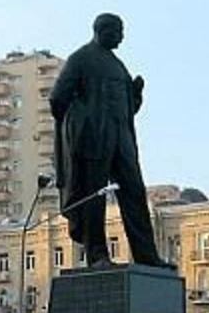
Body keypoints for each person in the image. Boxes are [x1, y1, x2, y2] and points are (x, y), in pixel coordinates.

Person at [49, 13, 173, 269]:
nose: (122, 36)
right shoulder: (81, 59)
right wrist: (82, 122)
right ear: (103, 30)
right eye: (118, 31)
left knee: (135, 193)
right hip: (94, 140)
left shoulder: (117, 65)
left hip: (122, 139)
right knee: (95, 197)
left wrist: (135, 95)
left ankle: (146, 256)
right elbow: (58, 99)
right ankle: (97, 256)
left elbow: (128, 109)